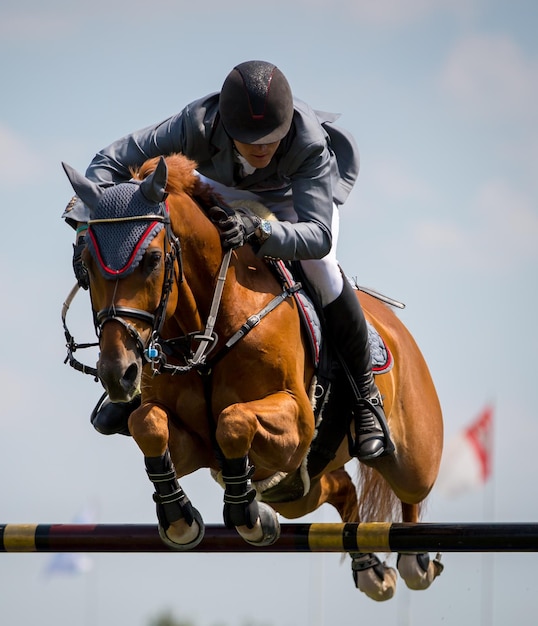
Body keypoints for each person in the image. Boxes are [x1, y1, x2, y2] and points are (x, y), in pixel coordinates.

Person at [62, 60, 391, 461]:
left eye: (271, 138)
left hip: (294, 202)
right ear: (224, 126)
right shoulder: (195, 124)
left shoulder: (307, 143)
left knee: (322, 271)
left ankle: (365, 397)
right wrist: (85, 229)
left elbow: (318, 236)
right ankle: (138, 382)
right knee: (167, 253)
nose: (261, 147)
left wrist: (260, 231)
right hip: (222, 187)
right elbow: (107, 162)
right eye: (250, 138)